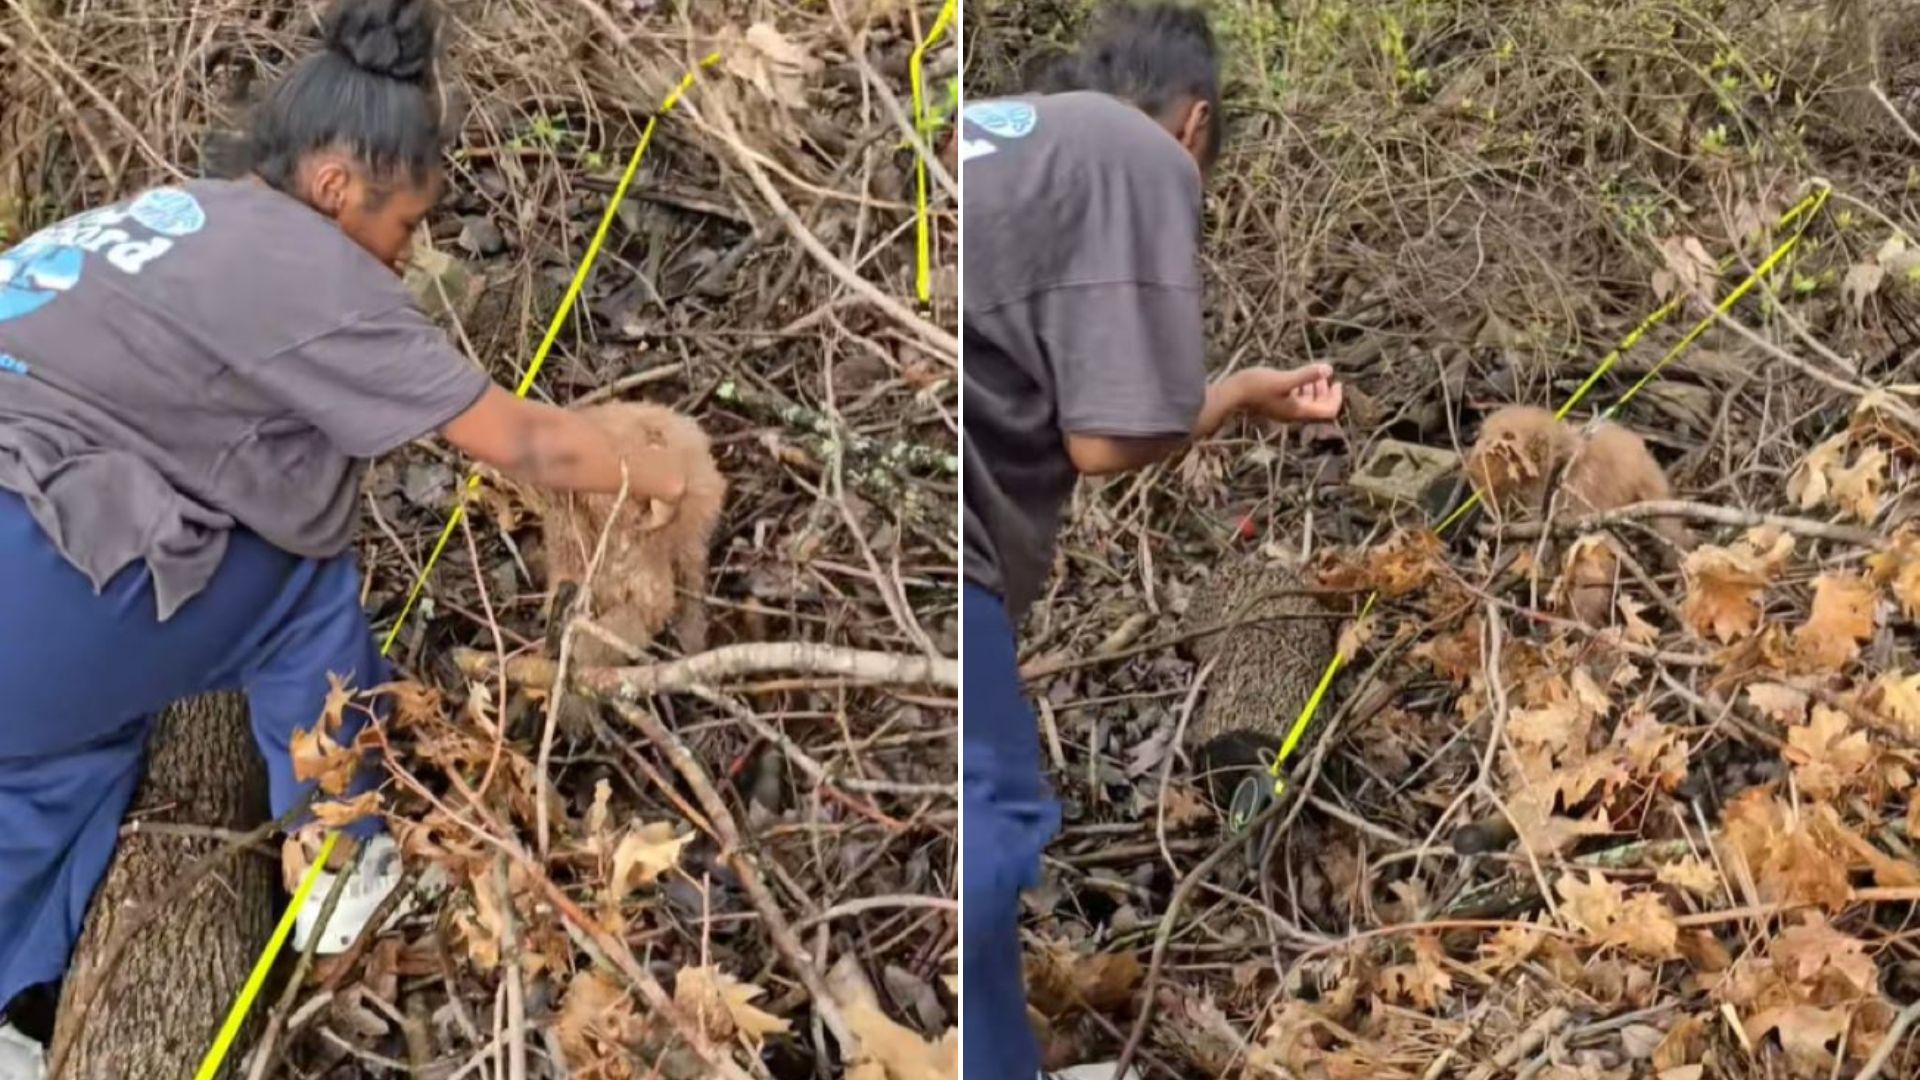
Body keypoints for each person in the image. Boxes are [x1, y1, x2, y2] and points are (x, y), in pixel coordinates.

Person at [0, 0, 698, 1069]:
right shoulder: (313, 271)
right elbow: (522, 443)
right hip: (21, 576)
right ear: (337, 188)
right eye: (407, 228)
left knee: (60, 753)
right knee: (302, 577)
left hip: (28, 607)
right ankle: (341, 866)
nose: (406, 258)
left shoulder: (177, 213)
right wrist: (673, 472)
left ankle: (13, 998)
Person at [960, 4, 1344, 1078]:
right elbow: (1102, 440)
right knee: (987, 835)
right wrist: (1226, 402)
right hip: (956, 558)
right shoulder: (1144, 156)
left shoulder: (1004, 129)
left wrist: (1231, 396)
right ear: (1196, 128)